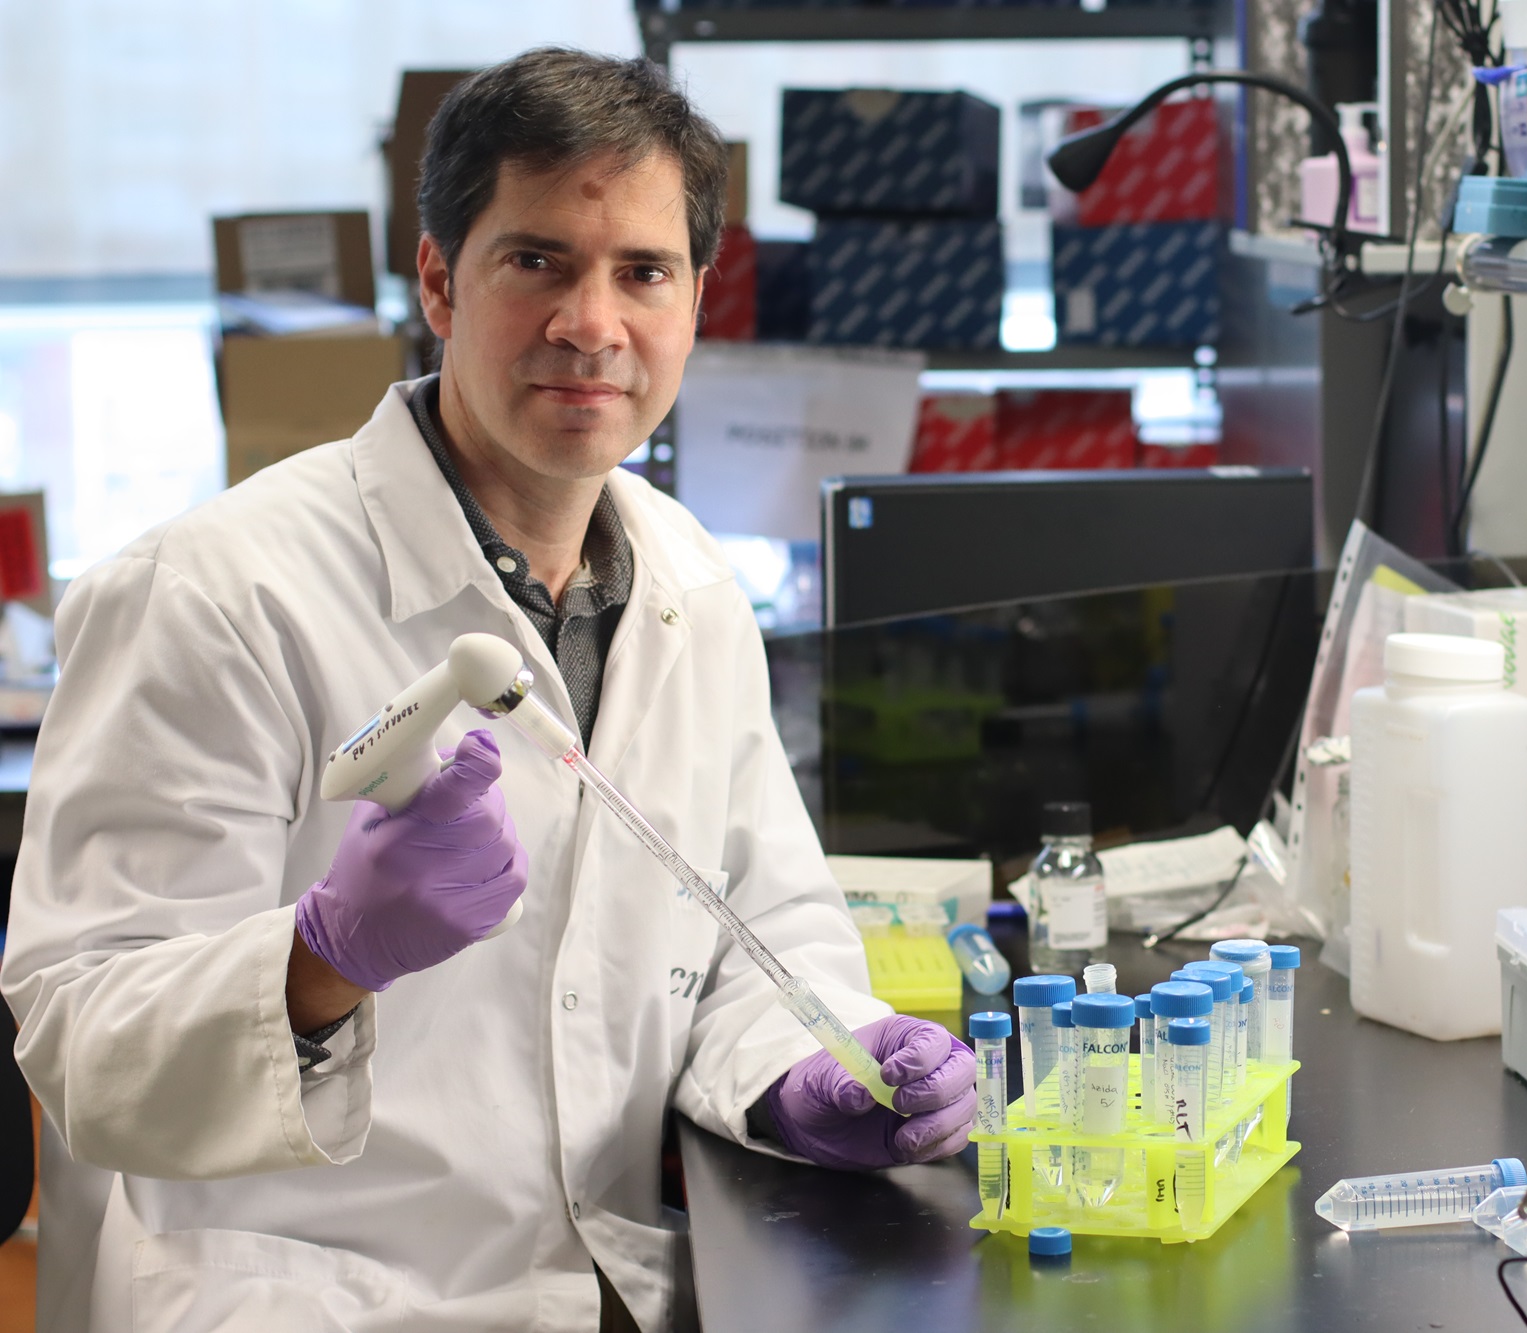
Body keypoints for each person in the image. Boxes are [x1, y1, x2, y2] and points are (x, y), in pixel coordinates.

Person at [1, 49, 973, 1333]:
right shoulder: (212, 592)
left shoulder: (689, 583)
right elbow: (82, 1042)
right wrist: (320, 960)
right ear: (439, 281)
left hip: (607, 1280)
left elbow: (758, 925)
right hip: (304, 1298)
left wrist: (809, 1064)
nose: (591, 324)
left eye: (643, 272)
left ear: (695, 297)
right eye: (536, 262)